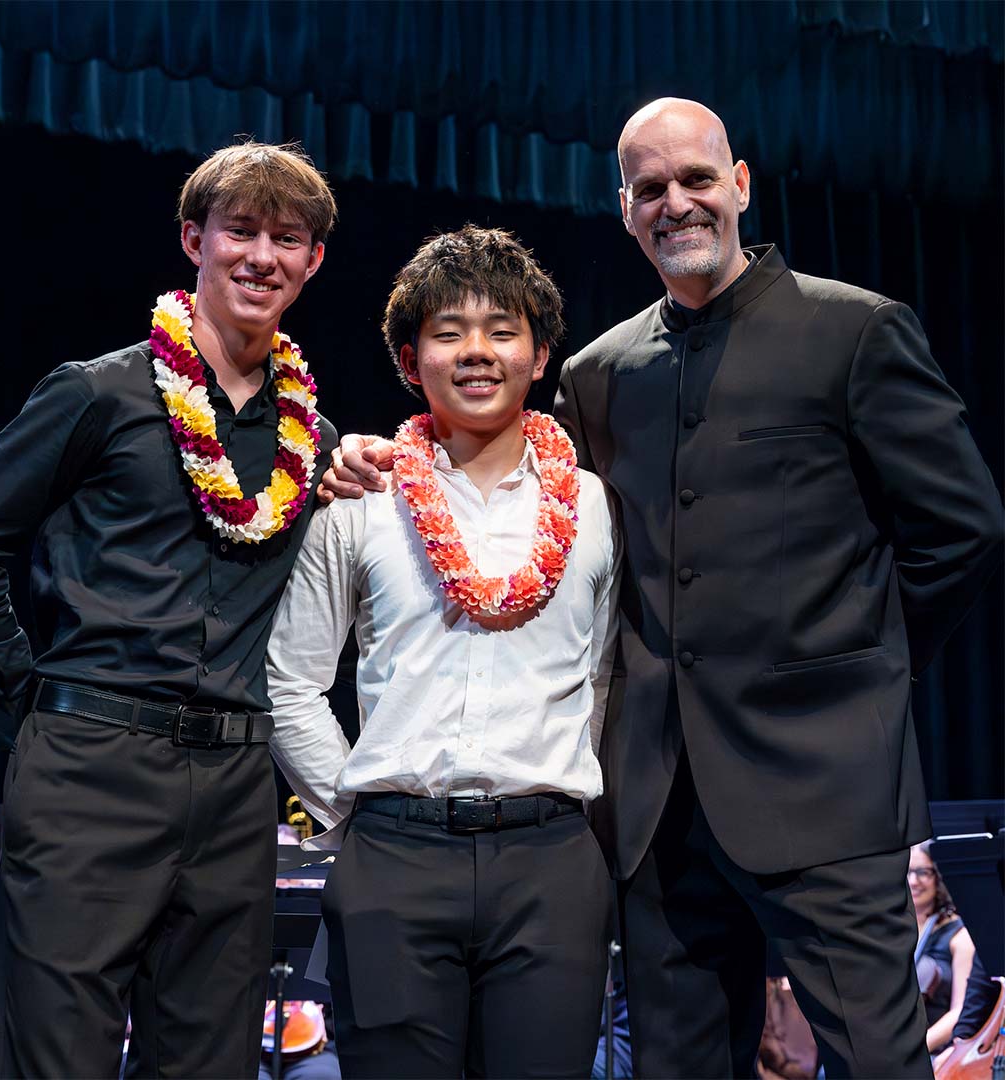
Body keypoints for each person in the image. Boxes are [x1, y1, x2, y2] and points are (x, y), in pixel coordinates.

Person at [320, 99, 1004, 1078]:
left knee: (877, 1064)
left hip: (824, 789)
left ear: (741, 185)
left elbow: (964, 529)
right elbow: (534, 512)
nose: (675, 203)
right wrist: (377, 459)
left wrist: (861, 675)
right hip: (655, 813)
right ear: (625, 209)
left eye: (694, 179)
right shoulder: (600, 373)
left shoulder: (855, 332)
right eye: (651, 189)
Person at [0, 141, 338, 1078]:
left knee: (207, 1062)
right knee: (57, 1057)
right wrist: (22, 711)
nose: (261, 256)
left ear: (313, 262)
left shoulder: (307, 436)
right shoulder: (99, 393)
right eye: (240, 231)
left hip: (235, 786)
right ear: (194, 238)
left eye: (288, 238)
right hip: (91, 769)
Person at [267, 226, 619, 1078]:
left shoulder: (598, 506)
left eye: (503, 330)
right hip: (393, 858)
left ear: (540, 358)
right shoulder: (361, 500)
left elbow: (599, 674)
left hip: (552, 862)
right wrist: (357, 814)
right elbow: (290, 682)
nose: (477, 352)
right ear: (407, 358)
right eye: (448, 331)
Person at [909, 843, 976, 1055]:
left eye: (923, 872)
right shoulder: (890, 930)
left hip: (932, 1052)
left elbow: (959, 1011)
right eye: (907, 872)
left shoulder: (960, 935)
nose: (913, 881)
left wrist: (913, 1051)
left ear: (939, 876)